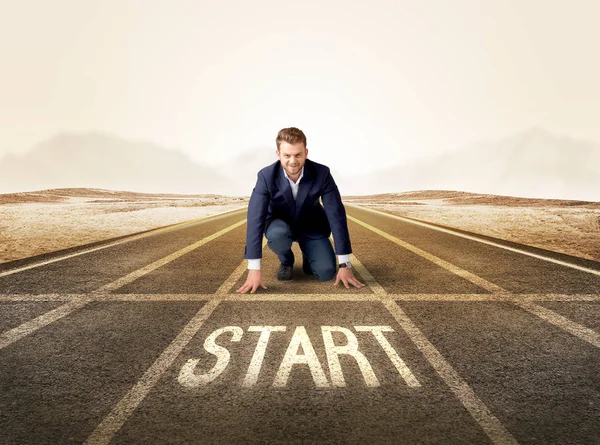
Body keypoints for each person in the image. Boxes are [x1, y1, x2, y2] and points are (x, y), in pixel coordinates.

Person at [236, 127, 365, 294]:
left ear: (306, 152)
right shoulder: (265, 176)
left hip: (311, 227)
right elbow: (255, 218)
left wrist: (345, 264)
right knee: (277, 234)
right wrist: (253, 269)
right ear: (278, 154)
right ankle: (286, 260)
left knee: (326, 272)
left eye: (298, 155)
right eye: (287, 155)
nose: (293, 161)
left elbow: (336, 215)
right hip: (279, 227)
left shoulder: (322, 173)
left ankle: (308, 254)